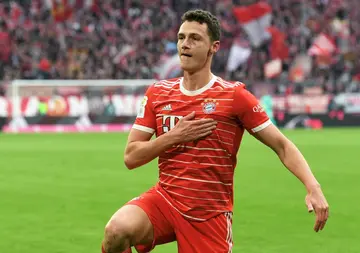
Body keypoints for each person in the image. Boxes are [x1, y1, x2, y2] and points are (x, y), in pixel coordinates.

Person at [101, 9, 329, 253]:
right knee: (116, 231)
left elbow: (282, 146)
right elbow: (131, 157)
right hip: (165, 200)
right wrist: (175, 136)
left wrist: (313, 188)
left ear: (214, 47)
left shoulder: (234, 96)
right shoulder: (157, 93)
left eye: (195, 39)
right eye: (181, 37)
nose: (185, 45)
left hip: (208, 215)